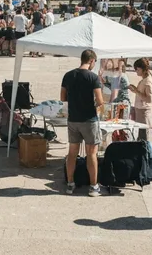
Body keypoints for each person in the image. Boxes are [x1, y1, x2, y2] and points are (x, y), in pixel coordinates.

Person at [61, 49, 104, 197]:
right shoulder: (93, 77)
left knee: (72, 153)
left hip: (73, 119)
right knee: (91, 153)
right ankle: (93, 186)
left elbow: (62, 97)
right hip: (89, 119)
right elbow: (100, 101)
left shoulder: (68, 75)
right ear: (91, 61)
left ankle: (70, 184)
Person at [129, 58, 152, 139]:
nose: (136, 71)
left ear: (142, 69)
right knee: (141, 136)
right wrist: (135, 90)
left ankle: (145, 151)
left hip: (144, 112)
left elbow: (149, 99)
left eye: (137, 69)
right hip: (140, 111)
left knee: (143, 137)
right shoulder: (145, 79)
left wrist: (136, 91)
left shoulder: (147, 81)